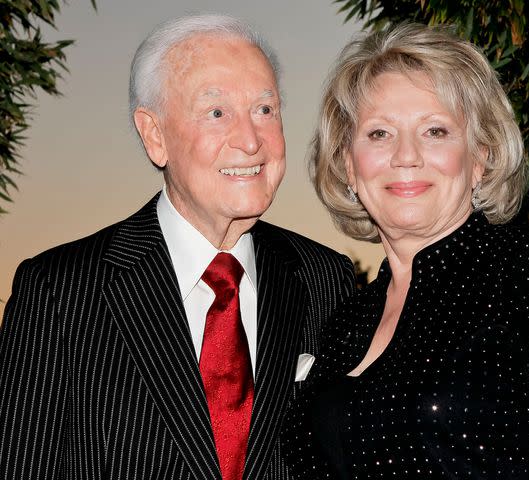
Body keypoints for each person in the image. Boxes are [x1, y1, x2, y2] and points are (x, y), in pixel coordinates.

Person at [0, 14, 355, 480]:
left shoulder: (326, 278)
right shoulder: (59, 290)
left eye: (265, 110)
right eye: (216, 112)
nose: (250, 140)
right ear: (155, 135)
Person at [283, 23, 529, 479]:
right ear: (348, 165)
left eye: (435, 131)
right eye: (379, 134)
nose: (405, 155)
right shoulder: (345, 321)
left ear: (480, 157)